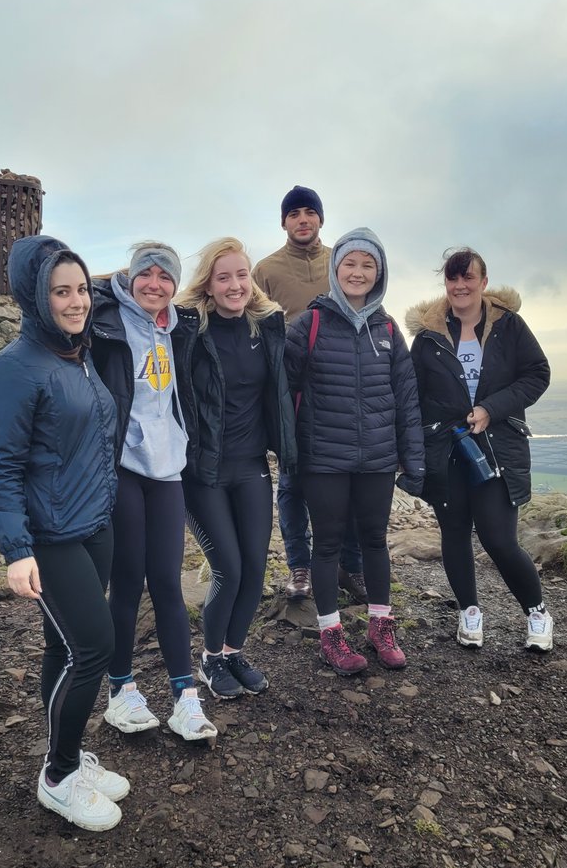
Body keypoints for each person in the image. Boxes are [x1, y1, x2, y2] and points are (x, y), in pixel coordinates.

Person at [0, 235, 129, 833]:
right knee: (95, 647)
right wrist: (16, 551)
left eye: (81, 290)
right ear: (34, 298)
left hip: (94, 526)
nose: (76, 302)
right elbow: (1, 466)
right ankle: (59, 776)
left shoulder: (79, 355)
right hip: (51, 536)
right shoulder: (13, 368)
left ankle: (62, 757)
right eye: (60, 292)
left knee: (61, 648)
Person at [90, 242, 217, 741]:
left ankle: (185, 697)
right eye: (147, 274)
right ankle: (120, 690)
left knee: (167, 579)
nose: (155, 284)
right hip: (122, 464)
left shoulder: (178, 327)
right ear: (130, 276)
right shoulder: (106, 320)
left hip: (168, 466)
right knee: (126, 581)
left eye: (166, 277)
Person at [285, 228, 424, 675]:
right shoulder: (311, 324)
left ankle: (380, 627)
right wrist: (288, 453)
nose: (358, 272)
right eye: (350, 264)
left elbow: (406, 396)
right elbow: (283, 393)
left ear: (379, 273)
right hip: (323, 458)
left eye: (368, 265)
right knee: (326, 545)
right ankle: (332, 636)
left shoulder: (387, 328)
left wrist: (413, 458)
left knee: (374, 542)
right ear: (335, 268)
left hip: (378, 459)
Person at [405, 248, 554, 652]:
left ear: (483, 282)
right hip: (446, 449)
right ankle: (469, 613)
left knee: (499, 539)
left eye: (468, 278)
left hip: (496, 448)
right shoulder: (428, 337)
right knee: (454, 534)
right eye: (453, 279)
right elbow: (412, 395)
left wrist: (492, 408)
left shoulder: (509, 326)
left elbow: (538, 374)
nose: (460, 286)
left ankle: (537, 613)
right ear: (446, 284)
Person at [179, 238, 296, 698]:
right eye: (223, 276)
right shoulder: (187, 328)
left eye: (241, 275)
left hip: (251, 466)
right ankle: (210, 660)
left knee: (253, 568)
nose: (235, 284)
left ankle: (232, 651)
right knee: (227, 567)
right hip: (202, 471)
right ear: (208, 283)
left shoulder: (266, 327)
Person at [252, 186, 365, 603]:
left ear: (321, 218)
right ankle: (299, 567)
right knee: (293, 481)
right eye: (294, 213)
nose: (303, 219)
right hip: (290, 389)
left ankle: (350, 567)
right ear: (284, 222)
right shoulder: (265, 270)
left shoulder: (342, 262)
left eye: (310, 212)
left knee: (348, 478)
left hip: (341, 387)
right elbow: (255, 327)